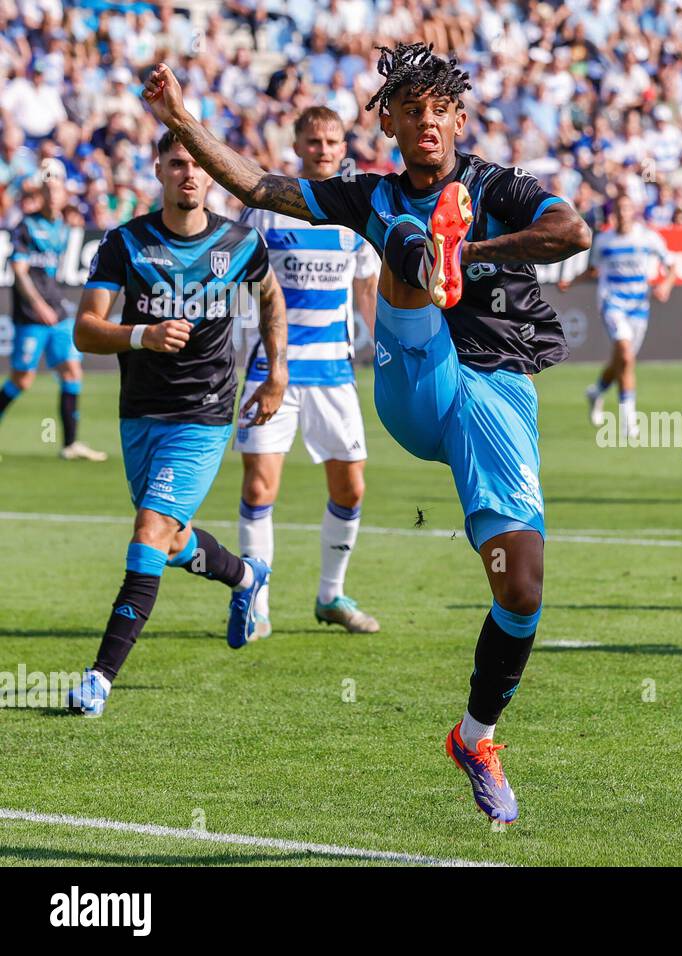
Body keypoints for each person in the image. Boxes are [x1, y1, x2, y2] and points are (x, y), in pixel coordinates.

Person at [141, 44, 591, 822]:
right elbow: (255, 184)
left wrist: (470, 250)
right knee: (402, 243)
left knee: (521, 589)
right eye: (409, 110)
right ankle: (423, 253)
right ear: (385, 121)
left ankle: (475, 739)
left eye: (439, 111)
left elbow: (571, 231)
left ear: (458, 118)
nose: (426, 123)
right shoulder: (368, 195)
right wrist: (183, 118)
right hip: (416, 373)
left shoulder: (500, 186)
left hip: (496, 395)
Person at [65, 131, 288, 717]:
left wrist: (276, 374)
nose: (189, 174)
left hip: (204, 414)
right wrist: (143, 335)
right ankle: (244, 577)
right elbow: (86, 329)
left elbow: (269, 298)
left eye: (198, 165)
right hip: (139, 411)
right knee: (168, 537)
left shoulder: (241, 242)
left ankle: (99, 678)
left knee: (148, 532)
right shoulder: (126, 243)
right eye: (177, 164)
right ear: (159, 170)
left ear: (212, 174)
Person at [235, 106, 381, 638]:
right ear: (297, 146)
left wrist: (387, 344)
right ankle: (258, 602)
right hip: (270, 370)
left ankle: (330, 596)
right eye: (313, 141)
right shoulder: (267, 209)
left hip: (333, 373)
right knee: (259, 488)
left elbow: (367, 288)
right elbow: (239, 280)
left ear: (345, 148)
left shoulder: (357, 215)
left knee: (351, 489)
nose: (323, 149)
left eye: (332, 141)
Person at [0, 168, 107, 461]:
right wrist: (37, 305)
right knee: (22, 380)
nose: (52, 195)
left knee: (72, 371)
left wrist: (50, 305)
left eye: (57, 190)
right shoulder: (26, 226)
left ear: (63, 196)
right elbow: (19, 272)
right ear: (40, 195)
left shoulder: (63, 227)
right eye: (47, 190)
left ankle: (70, 443)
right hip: (32, 315)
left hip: (58, 310)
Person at [560, 190, 675, 438]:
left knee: (622, 360)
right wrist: (572, 281)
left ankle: (597, 391)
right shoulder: (604, 240)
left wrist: (666, 284)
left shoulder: (648, 238)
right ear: (614, 213)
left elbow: (671, 265)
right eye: (619, 209)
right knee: (625, 354)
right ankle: (628, 420)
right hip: (612, 304)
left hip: (639, 307)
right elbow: (593, 271)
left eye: (627, 209)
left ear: (633, 212)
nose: (623, 214)